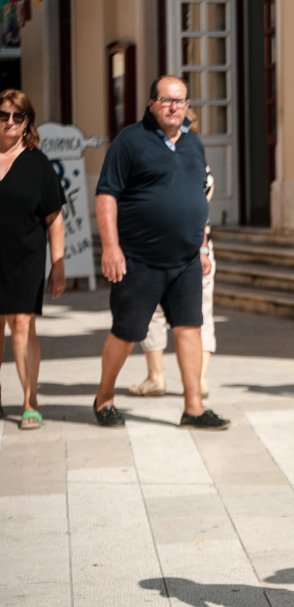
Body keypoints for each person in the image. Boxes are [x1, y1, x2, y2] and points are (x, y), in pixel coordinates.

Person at [92, 75, 228, 430]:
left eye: (180, 101)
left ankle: (194, 408)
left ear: (187, 106)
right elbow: (106, 195)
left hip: (186, 260)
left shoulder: (193, 144)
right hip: (139, 259)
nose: (173, 107)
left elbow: (198, 198)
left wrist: (201, 246)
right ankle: (104, 398)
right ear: (151, 103)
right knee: (127, 331)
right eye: (167, 100)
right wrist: (111, 247)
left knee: (190, 329)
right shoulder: (129, 141)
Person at [130, 108, 216, 399]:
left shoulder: (185, 162)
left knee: (174, 313)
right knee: (197, 313)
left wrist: (202, 248)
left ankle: (160, 377)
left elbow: (198, 212)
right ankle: (193, 379)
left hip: (188, 249)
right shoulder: (195, 161)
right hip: (181, 247)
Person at [0, 89, 65, 430]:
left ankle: (30, 399)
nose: (10, 122)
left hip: (26, 256)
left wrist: (58, 263)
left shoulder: (38, 164)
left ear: (27, 123)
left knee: (22, 324)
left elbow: (54, 218)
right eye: (3, 115)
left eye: (17, 116)